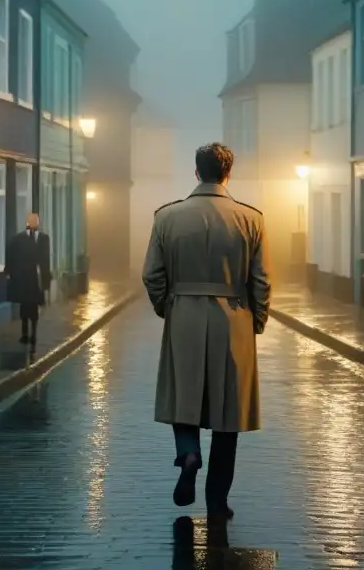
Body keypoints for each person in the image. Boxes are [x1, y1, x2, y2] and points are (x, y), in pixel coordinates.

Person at [142, 142, 272, 521]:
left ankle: (189, 454)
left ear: (196, 172)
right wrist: (256, 320)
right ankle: (217, 500)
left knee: (184, 395)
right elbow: (262, 280)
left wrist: (167, 306)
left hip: (183, 313)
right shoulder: (251, 219)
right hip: (233, 318)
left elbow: (151, 274)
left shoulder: (167, 217)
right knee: (227, 414)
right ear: (227, 174)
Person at [4, 212, 52, 345]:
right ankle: (24, 333)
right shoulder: (18, 239)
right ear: (27, 222)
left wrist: (46, 278)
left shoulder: (43, 238)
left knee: (34, 306)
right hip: (23, 278)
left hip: (36, 278)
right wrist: (9, 272)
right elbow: (11, 256)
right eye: (31, 220)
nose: (33, 223)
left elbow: (46, 260)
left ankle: (34, 333)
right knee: (24, 306)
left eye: (36, 220)